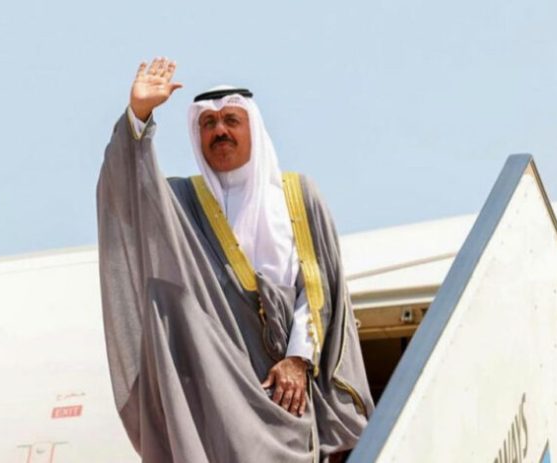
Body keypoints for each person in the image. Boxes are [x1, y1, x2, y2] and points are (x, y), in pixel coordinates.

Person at [97, 57, 374, 463]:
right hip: (215, 386)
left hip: (285, 389)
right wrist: (138, 118)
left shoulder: (297, 195)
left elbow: (318, 290)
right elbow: (126, 195)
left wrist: (298, 359)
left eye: (231, 120)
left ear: (253, 129)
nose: (219, 131)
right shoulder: (182, 203)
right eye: (208, 124)